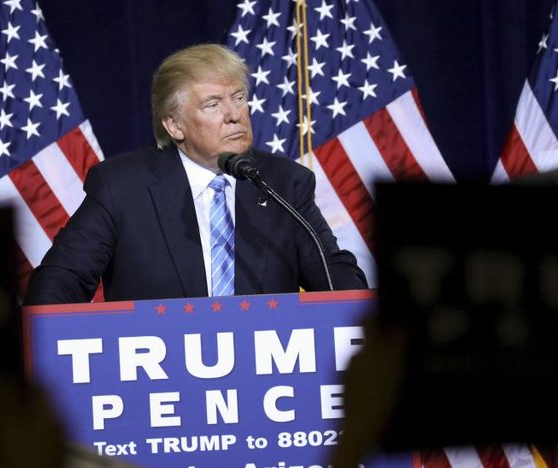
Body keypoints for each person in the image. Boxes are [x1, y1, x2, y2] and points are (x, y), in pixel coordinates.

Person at [24, 43, 367, 305]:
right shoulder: (123, 187)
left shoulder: (284, 183)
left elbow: (335, 277)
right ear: (174, 125)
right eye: (213, 104)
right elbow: (60, 282)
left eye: (239, 98)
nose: (234, 114)